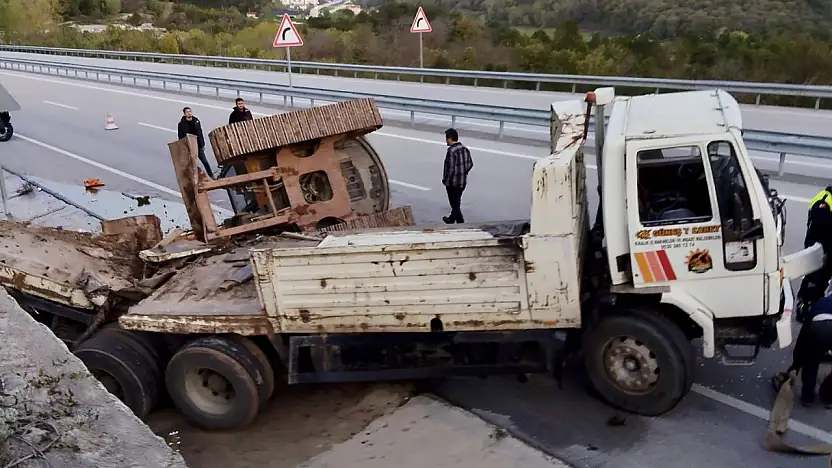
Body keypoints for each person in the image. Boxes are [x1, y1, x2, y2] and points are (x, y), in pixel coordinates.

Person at [783, 294, 832, 406]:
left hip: (820, 326)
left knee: (811, 362)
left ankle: (807, 397)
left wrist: (797, 362)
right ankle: (828, 399)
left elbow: (803, 336)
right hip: (823, 325)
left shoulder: (822, 302)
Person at [795, 186, 832, 322]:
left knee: (822, 281)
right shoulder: (825, 199)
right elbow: (820, 220)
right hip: (819, 248)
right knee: (815, 280)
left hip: (828, 248)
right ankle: (805, 307)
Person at [441, 128, 473, 224]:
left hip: (453, 183)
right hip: (462, 182)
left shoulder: (451, 151)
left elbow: (450, 168)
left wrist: (446, 180)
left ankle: (455, 220)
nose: (445, 140)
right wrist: (463, 172)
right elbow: (470, 164)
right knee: (457, 202)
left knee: (454, 204)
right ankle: (457, 220)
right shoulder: (465, 149)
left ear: (450, 138)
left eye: (446, 138)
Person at [177, 107, 214, 179]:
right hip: (189, 146)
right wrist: (183, 146)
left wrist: (202, 144)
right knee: (191, 164)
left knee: (205, 161)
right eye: (187, 112)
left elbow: (200, 133)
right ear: (184, 114)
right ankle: (190, 178)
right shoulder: (181, 124)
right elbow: (180, 136)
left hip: (198, 145)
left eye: (190, 111)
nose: (189, 113)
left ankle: (211, 175)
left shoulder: (196, 121)